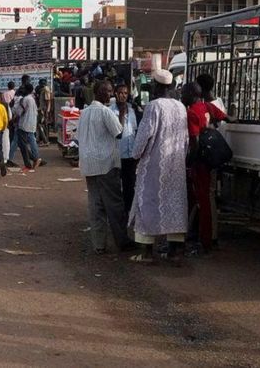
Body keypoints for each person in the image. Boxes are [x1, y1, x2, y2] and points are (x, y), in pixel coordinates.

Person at [130, 69, 189, 265]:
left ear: (156, 86)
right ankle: (175, 252)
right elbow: (186, 139)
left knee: (147, 201)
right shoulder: (180, 107)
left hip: (154, 163)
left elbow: (145, 134)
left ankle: (146, 252)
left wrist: (135, 155)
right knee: (175, 203)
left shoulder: (153, 107)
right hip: (176, 163)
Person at [77, 80, 132, 255]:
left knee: (95, 205)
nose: (110, 94)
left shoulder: (84, 113)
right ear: (99, 92)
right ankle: (122, 241)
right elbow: (120, 133)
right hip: (106, 163)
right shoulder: (105, 112)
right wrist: (122, 113)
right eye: (107, 91)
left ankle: (99, 244)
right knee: (114, 205)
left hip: (88, 164)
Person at [182, 81, 234, 253]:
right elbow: (226, 117)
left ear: (191, 94)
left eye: (184, 93)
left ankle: (206, 242)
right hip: (212, 160)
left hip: (201, 162)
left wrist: (189, 163)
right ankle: (209, 237)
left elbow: (195, 142)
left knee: (203, 201)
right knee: (208, 199)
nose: (182, 96)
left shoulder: (191, 112)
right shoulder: (207, 107)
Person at [110, 83, 138, 218]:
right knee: (116, 186)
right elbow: (117, 132)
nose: (123, 96)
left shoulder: (132, 111)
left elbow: (135, 131)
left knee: (130, 185)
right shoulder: (111, 111)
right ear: (115, 94)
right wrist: (121, 114)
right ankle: (117, 213)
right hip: (117, 154)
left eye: (125, 93)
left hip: (130, 154)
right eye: (120, 93)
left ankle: (128, 212)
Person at [14, 83, 42, 169]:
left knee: (22, 144)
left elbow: (18, 112)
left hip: (24, 124)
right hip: (31, 123)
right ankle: (33, 160)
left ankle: (33, 160)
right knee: (23, 144)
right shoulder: (32, 99)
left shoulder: (24, 100)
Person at [36, 78, 52, 146]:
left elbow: (48, 101)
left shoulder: (45, 89)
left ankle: (45, 141)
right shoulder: (43, 89)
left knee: (41, 125)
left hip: (43, 110)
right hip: (42, 109)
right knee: (42, 125)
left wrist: (47, 111)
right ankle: (44, 140)